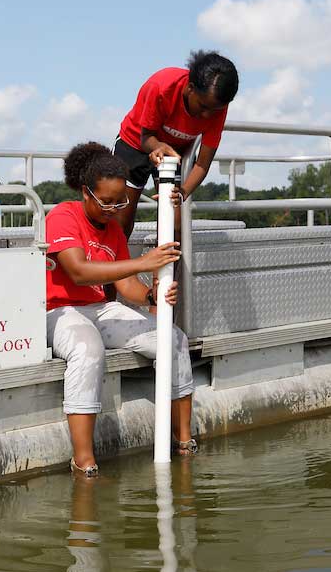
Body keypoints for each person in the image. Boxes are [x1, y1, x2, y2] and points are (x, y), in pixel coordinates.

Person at [46, 142, 197, 478]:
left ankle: (185, 443)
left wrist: (150, 295)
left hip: (101, 308)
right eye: (106, 201)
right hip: (60, 312)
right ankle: (84, 461)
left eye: (120, 201)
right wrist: (144, 261)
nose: (114, 209)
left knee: (172, 339)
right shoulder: (62, 216)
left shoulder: (112, 228)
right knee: (87, 350)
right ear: (86, 192)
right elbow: (79, 271)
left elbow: (126, 283)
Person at [114, 50, 239, 238]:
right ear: (190, 88)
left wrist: (182, 192)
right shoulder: (161, 86)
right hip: (135, 143)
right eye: (203, 107)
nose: (207, 116)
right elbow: (145, 137)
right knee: (121, 224)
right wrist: (158, 146)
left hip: (174, 154)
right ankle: (119, 267)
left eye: (215, 110)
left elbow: (202, 164)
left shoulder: (217, 105)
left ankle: (170, 269)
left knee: (175, 228)